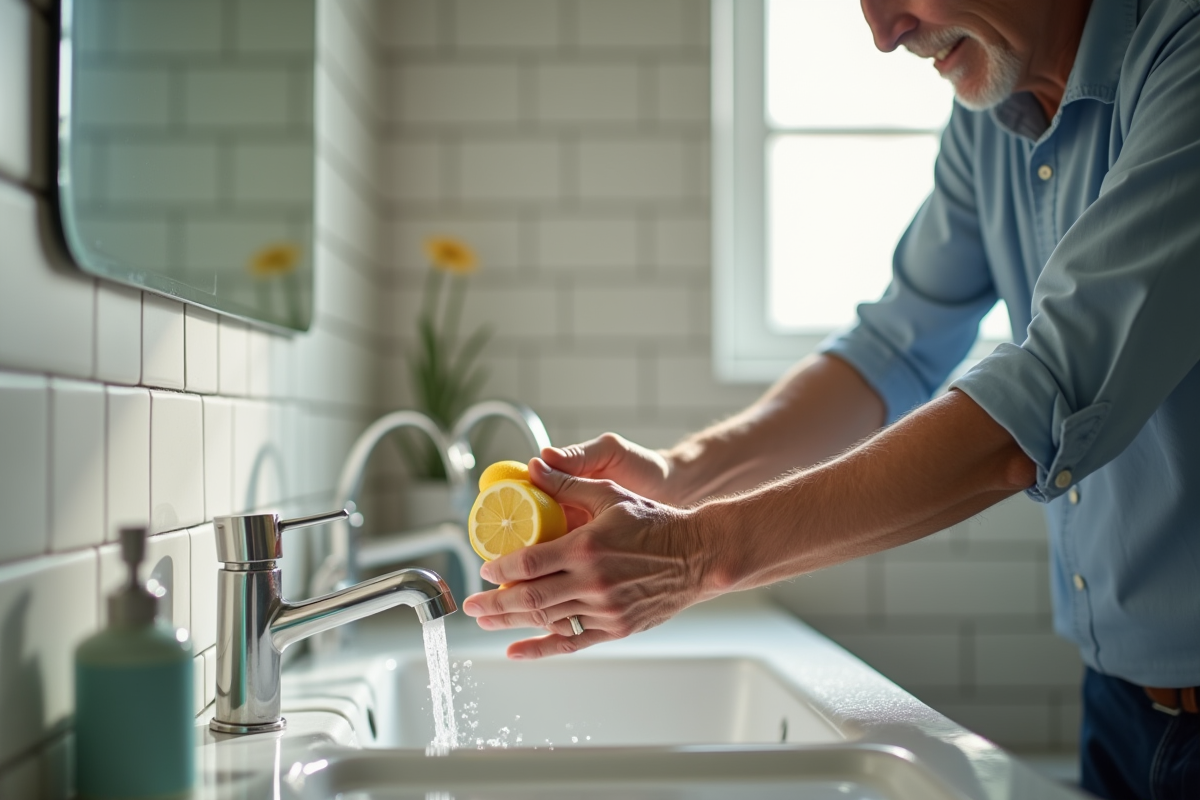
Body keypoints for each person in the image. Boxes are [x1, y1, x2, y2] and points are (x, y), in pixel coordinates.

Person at [462, 0, 1200, 796]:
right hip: (1118, 702)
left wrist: (696, 553)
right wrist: (680, 477)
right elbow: (892, 349)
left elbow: (1038, 400)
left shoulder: (1183, 53)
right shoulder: (991, 122)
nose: (883, 32)